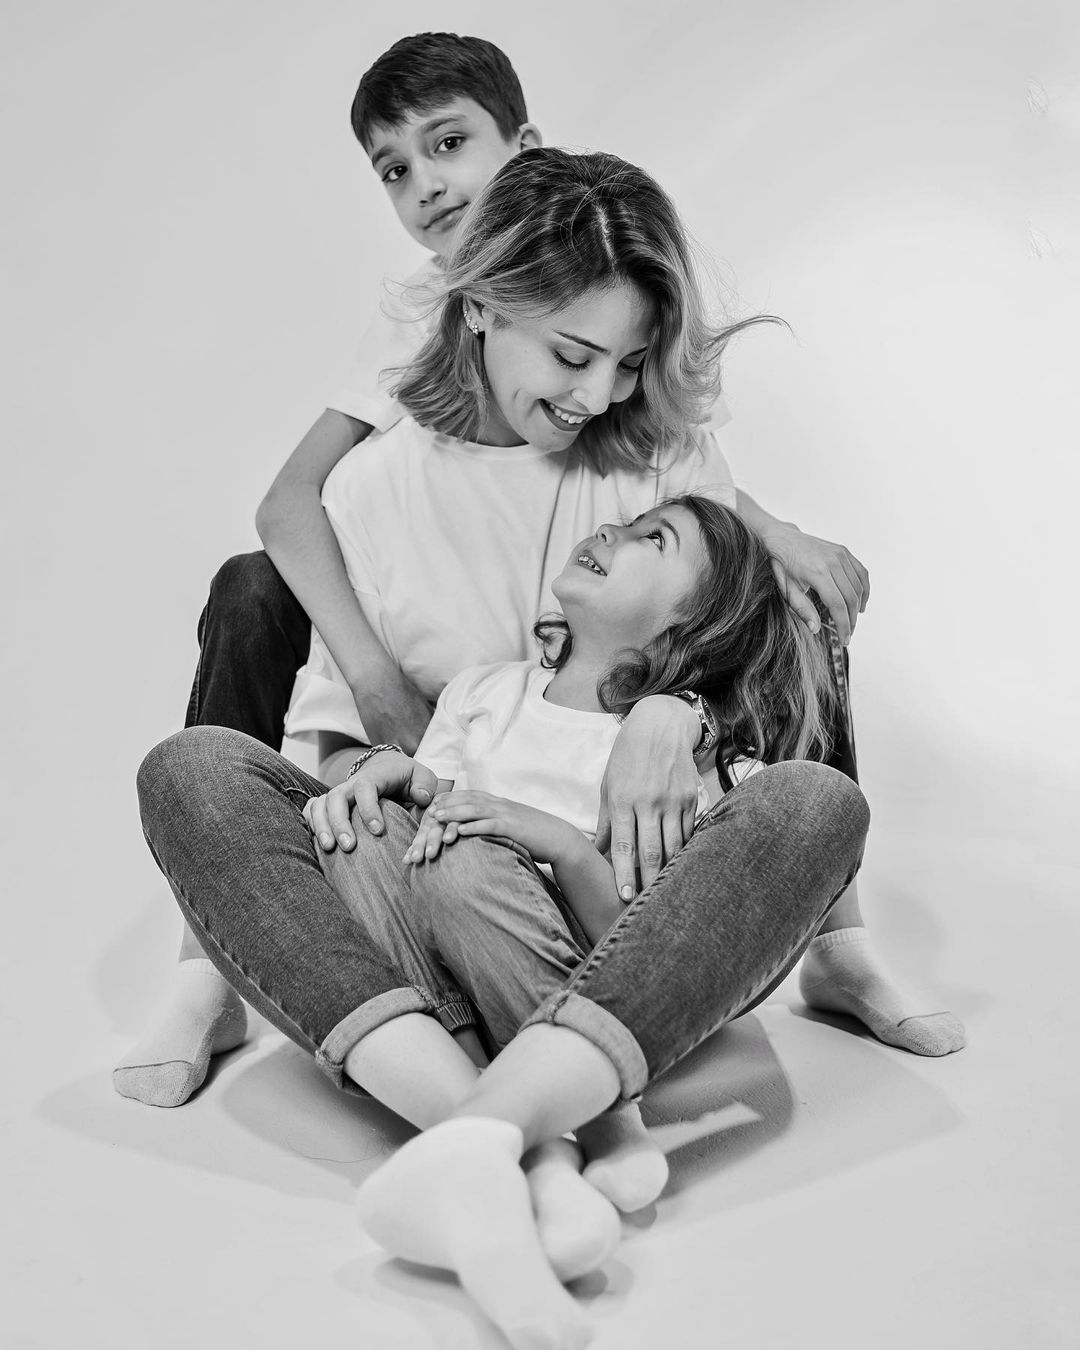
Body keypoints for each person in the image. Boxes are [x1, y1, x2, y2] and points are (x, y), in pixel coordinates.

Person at [115, 34, 958, 1110]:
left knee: (804, 690)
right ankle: (236, 980)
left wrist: (682, 709)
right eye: (570, 356)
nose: (597, 394)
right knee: (224, 682)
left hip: (623, 897)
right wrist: (378, 718)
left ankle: (832, 945)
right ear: (476, 301)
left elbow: (734, 619)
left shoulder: (647, 459)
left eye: (626, 362)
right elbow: (294, 522)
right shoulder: (383, 461)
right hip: (445, 872)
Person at [137, 497, 869, 1343]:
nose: (612, 532)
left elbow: (644, 937)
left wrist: (555, 842)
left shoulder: (680, 757)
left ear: (691, 625)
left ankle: (514, 1126)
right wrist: (382, 777)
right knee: (216, 775)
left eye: (652, 540)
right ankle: (544, 1149)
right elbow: (418, 825)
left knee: (802, 802)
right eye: (625, 523)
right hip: (429, 976)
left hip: (569, 976)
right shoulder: (485, 691)